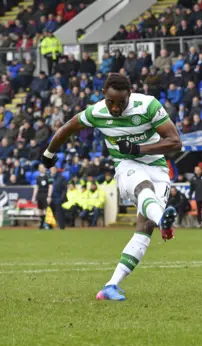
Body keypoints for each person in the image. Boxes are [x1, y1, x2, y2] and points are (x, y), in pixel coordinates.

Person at [40, 73, 182, 301]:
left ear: (130, 94)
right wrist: (49, 153)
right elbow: (67, 128)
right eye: (111, 102)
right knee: (142, 187)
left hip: (157, 167)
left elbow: (176, 142)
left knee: (145, 227)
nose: (116, 108)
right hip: (126, 166)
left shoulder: (147, 105)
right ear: (103, 94)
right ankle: (162, 217)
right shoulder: (96, 112)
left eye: (121, 102)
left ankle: (110, 286)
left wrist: (138, 149)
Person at [31, 164, 52, 229]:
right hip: (39, 195)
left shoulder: (48, 176)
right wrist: (34, 196)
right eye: (40, 168)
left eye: (42, 168)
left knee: (46, 210)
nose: (41, 169)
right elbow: (36, 187)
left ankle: (48, 224)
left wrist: (49, 196)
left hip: (45, 194)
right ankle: (42, 223)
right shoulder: (38, 177)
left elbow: (50, 186)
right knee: (40, 210)